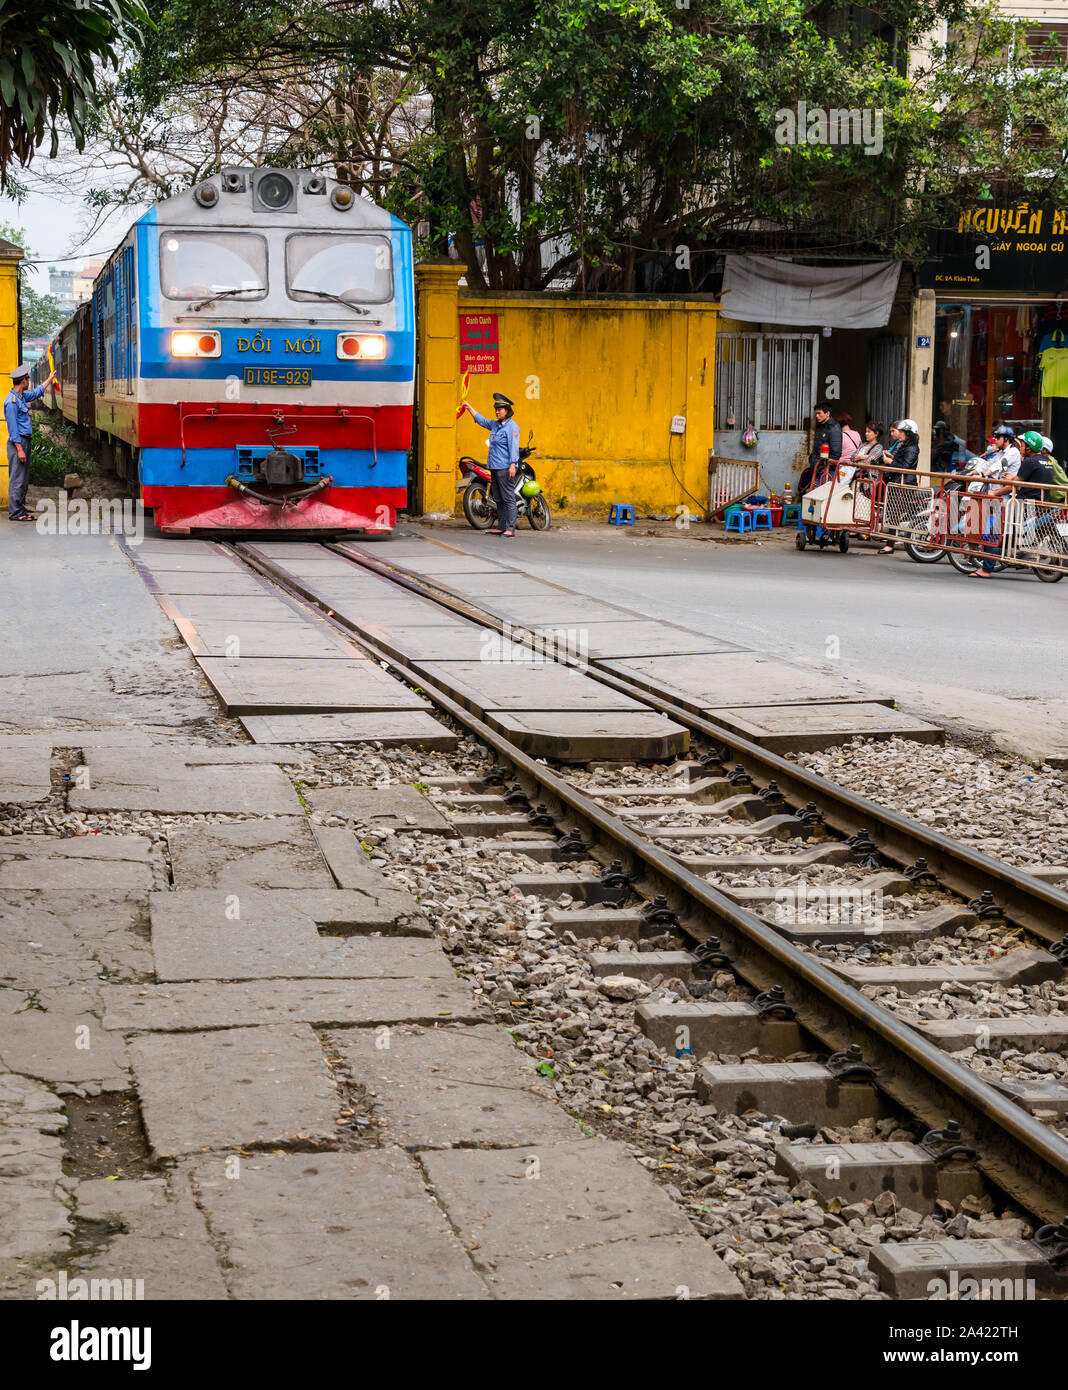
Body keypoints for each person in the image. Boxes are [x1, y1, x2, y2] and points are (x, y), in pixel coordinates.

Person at [970, 431, 1054, 578]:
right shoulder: (1048, 462)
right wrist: (1012, 478)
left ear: (1029, 447)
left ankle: (986, 569)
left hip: (1022, 507)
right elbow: (1023, 480)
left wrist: (995, 493)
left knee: (994, 531)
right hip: (1039, 505)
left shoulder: (1029, 462)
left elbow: (1012, 486)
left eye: (1022, 444)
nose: (1020, 447)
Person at [462, 390, 521, 536]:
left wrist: (513, 464)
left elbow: (513, 447)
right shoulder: (495, 425)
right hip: (494, 467)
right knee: (499, 498)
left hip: (505, 468)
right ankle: (501, 527)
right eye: (495, 409)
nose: (496, 412)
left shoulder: (512, 427)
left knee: (508, 498)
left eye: (499, 409)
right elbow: (481, 420)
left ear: (507, 411)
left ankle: (510, 529)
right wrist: (469, 407)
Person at [4, 363, 55, 522]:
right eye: (27, 379)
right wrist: (19, 449)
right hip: (17, 444)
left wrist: (49, 379)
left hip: (24, 442)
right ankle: (15, 513)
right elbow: (13, 429)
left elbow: (35, 393)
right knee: (17, 479)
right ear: (22, 381)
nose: (28, 381)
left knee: (23, 479)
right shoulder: (11, 402)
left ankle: (20, 508)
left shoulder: (20, 397)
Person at [877, 419, 920, 555]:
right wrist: (892, 458)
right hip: (897, 481)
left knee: (895, 513)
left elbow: (905, 467)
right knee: (893, 513)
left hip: (905, 483)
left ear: (909, 433)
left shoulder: (912, 448)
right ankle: (890, 542)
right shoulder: (903, 446)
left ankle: (890, 545)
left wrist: (890, 461)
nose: (899, 434)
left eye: (902, 432)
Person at [798, 401, 843, 496]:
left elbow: (836, 453)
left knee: (821, 496)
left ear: (827, 413)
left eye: (819, 413)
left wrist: (825, 467)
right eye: (816, 414)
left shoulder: (834, 428)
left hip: (826, 470)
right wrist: (812, 459)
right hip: (817, 468)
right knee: (811, 494)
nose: (817, 416)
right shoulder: (820, 426)